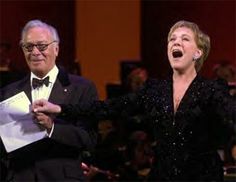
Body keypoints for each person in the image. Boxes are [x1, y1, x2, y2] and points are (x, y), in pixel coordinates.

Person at [33, 20, 236, 181]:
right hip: (162, 175)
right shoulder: (155, 89)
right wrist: (59, 108)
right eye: (172, 39)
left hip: (202, 176)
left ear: (198, 52)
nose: (176, 42)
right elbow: (109, 108)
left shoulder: (212, 89)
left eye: (185, 39)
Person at [0, 19, 98, 181]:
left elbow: (89, 139)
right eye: (28, 46)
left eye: (42, 46)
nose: (35, 52)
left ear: (56, 48)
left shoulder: (82, 88)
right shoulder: (8, 92)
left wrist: (51, 127)